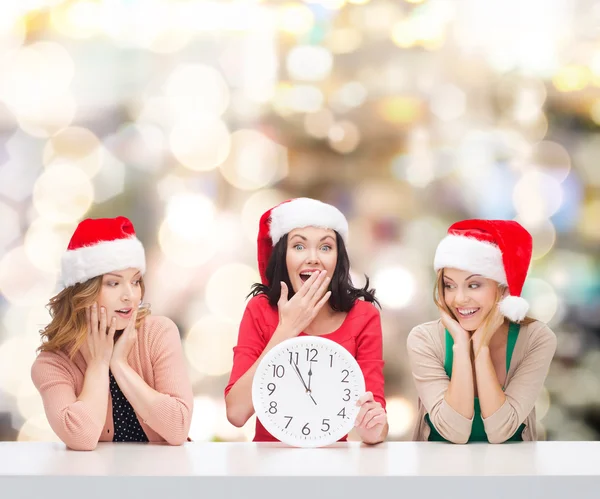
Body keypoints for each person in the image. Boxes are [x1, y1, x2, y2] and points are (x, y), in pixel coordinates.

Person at [225, 198, 388, 444]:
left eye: (325, 247)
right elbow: (236, 413)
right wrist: (286, 329)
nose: (313, 258)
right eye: (299, 246)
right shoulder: (259, 311)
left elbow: (377, 420)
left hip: (334, 465)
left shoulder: (363, 316)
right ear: (283, 255)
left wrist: (373, 428)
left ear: (338, 258)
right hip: (267, 463)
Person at [31, 216, 193, 450]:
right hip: (97, 483)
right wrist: (99, 363)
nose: (130, 295)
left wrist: (119, 365)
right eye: (113, 284)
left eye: (135, 282)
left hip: (163, 479)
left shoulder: (158, 333)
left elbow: (178, 428)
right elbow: (81, 438)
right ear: (83, 291)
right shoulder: (53, 364)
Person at [407, 219, 557, 443]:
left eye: (474, 285)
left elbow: (500, 431)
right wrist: (460, 343)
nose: (458, 299)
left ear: (503, 288)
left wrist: (480, 347)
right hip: (438, 472)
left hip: (511, 471)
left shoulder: (536, 339)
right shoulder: (424, 339)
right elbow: (454, 432)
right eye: (449, 285)